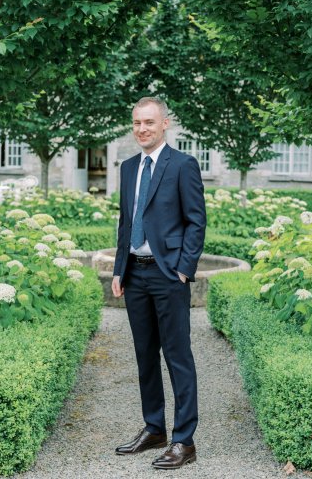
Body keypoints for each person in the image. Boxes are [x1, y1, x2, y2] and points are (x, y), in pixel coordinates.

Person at [111, 96, 206, 469]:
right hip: (135, 273)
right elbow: (125, 220)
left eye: (149, 122)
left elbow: (195, 221)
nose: (142, 129)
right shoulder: (128, 167)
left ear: (165, 123)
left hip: (168, 275)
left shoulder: (183, 165)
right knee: (145, 356)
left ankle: (184, 440)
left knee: (178, 357)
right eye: (136, 123)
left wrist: (183, 269)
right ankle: (155, 429)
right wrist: (120, 268)